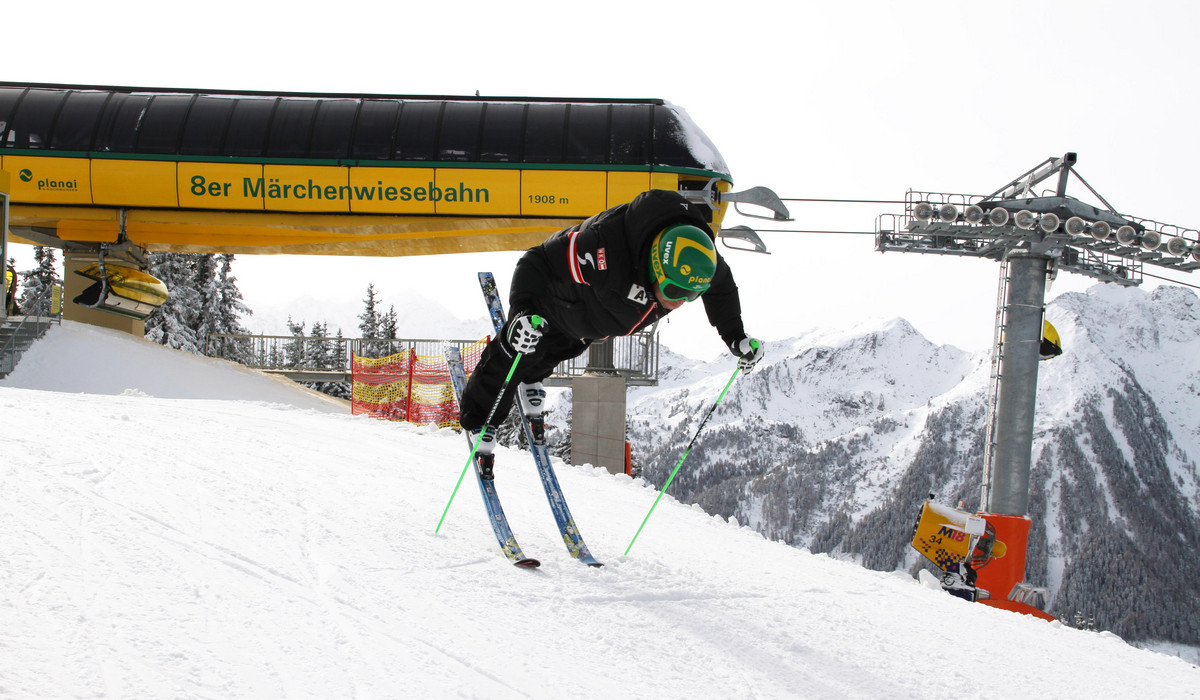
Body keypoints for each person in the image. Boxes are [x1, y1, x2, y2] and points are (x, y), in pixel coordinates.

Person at [459, 189, 764, 478]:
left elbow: (722, 291)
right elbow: (535, 262)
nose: (679, 301)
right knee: (519, 352)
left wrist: (735, 337)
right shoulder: (603, 247)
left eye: (691, 295)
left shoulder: (700, 259)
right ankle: (480, 420)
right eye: (674, 290)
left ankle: (531, 379)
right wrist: (523, 312)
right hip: (553, 304)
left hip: (590, 326)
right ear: (655, 264)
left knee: (561, 350)